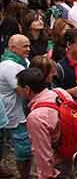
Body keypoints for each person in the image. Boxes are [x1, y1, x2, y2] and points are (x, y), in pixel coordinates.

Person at [0, 34, 31, 179]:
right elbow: (24, 92)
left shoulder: (22, 61)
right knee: (23, 150)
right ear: (12, 48)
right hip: (12, 112)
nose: (28, 49)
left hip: (17, 111)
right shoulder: (9, 65)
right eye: (25, 46)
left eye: (29, 45)